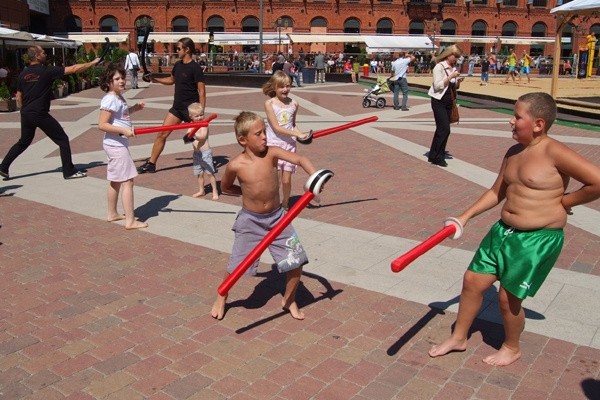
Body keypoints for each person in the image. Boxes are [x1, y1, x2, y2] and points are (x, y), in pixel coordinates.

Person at [429, 92, 600, 366]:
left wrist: (565, 201)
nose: (511, 121)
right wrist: (464, 217)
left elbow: (597, 181)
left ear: (538, 124)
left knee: (507, 299)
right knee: (473, 281)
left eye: (518, 116)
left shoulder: (554, 152)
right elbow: (497, 191)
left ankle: (511, 346)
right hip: (502, 231)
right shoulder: (513, 152)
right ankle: (459, 337)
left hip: (536, 239)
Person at [211, 111, 322, 321]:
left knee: (296, 264)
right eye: (259, 133)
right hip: (250, 221)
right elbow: (226, 187)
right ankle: (222, 295)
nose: (264, 137)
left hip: (278, 218)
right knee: (237, 265)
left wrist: (315, 177)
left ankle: (289, 300)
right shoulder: (235, 165)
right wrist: (244, 194)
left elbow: (300, 158)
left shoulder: (272, 153)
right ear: (242, 140)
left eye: (265, 132)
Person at [0, 46, 99, 180]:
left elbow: (18, 96)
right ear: (36, 56)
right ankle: (69, 171)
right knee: (62, 139)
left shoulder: (23, 74)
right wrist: (92, 63)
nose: (45, 54)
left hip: (26, 113)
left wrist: (24, 111)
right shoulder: (46, 71)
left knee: (23, 142)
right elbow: (74, 69)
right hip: (40, 113)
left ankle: (3, 167)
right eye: (43, 52)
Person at [137, 38, 206, 173]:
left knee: (199, 140)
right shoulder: (178, 65)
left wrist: (201, 112)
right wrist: (154, 79)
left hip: (191, 110)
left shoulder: (195, 68)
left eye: (178, 49)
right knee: (162, 134)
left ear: (187, 50)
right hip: (177, 108)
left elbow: (202, 91)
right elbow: (171, 80)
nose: (176, 51)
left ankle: (205, 164)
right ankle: (151, 164)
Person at [97, 64, 148, 230]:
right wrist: (124, 131)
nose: (121, 81)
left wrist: (135, 108)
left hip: (116, 143)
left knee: (116, 180)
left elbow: (121, 116)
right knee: (128, 181)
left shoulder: (118, 97)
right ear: (108, 82)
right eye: (116, 79)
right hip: (116, 144)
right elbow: (102, 124)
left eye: (122, 77)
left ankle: (112, 213)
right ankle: (130, 221)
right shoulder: (111, 99)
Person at [262, 71, 309, 210]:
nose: (285, 89)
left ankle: (285, 202)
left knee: (286, 179)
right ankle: (273, 202)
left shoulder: (294, 103)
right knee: (273, 179)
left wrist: (301, 135)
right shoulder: (269, 103)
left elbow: (293, 124)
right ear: (274, 87)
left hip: (289, 145)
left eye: (288, 86)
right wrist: (297, 134)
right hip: (274, 146)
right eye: (281, 86)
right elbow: (277, 128)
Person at [427, 44, 463, 168]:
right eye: (455, 56)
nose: (456, 59)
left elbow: (453, 87)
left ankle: (433, 154)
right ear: (448, 54)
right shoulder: (439, 67)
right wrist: (450, 77)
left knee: (441, 129)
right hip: (438, 101)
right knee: (445, 130)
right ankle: (438, 157)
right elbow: (437, 86)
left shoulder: (453, 67)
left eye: (458, 57)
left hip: (449, 101)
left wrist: (457, 82)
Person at [187, 102, 219, 200]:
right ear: (191, 116)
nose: (200, 117)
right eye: (196, 116)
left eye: (201, 115)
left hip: (205, 153)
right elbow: (187, 138)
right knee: (199, 174)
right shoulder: (191, 125)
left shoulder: (204, 125)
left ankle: (215, 190)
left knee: (209, 173)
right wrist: (189, 135)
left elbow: (202, 138)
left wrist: (193, 134)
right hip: (196, 154)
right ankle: (201, 190)